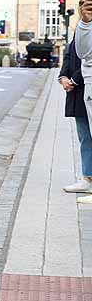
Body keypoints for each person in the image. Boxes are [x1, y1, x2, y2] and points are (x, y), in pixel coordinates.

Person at [60, 34, 92, 192]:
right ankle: (87, 177)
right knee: (84, 136)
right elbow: (69, 53)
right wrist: (64, 76)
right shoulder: (81, 26)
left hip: (86, 84)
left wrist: (74, 79)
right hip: (78, 91)